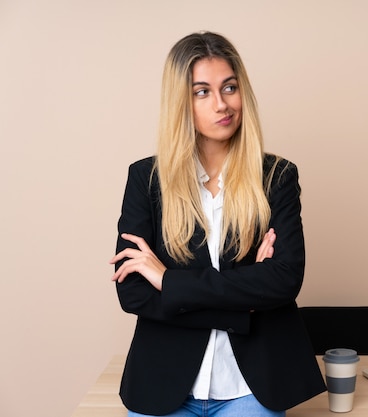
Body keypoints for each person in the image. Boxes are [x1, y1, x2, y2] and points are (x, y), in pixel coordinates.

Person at [110, 31, 326, 417]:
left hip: (251, 388)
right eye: (202, 92)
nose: (222, 104)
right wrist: (244, 304)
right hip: (163, 384)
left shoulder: (276, 176)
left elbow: (285, 280)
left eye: (229, 87)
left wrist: (171, 283)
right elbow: (135, 295)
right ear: (181, 102)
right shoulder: (145, 180)